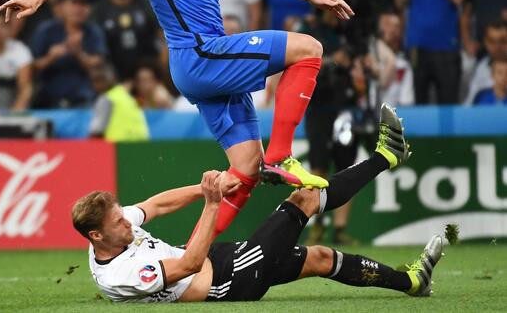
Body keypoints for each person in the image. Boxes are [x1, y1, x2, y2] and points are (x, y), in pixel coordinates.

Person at [0, 0, 355, 241]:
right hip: (199, 55)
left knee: (245, 170)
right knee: (308, 47)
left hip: (209, 63)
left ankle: (188, 260)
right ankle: (282, 153)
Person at [72, 105, 444, 303]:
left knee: (320, 259)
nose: (128, 222)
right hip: (230, 282)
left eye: (123, 215)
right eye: (119, 221)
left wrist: (212, 187)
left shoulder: (110, 234)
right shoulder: (120, 275)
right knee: (304, 197)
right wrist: (213, 204)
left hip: (221, 260)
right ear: (96, 233)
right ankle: (387, 156)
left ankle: (413, 282)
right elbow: (188, 264)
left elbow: (156, 206)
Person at [29, 0, 107, 108]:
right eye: (74, 3)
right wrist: (50, 57)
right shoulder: (46, 30)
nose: (79, 9)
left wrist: (79, 53)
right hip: (49, 99)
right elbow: (32, 66)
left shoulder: (93, 31)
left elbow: (97, 66)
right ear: (62, 6)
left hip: (83, 100)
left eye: (83, 4)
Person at [91, 0, 160, 81]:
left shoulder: (148, 5)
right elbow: (96, 50)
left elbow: (162, 36)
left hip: (149, 75)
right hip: (113, 75)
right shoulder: (98, 11)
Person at [88, 62, 149, 142]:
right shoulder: (127, 96)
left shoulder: (106, 99)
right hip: (143, 146)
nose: (97, 85)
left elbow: (96, 133)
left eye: (98, 80)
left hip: (118, 148)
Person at [465, 20, 507, 104]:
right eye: (492, 41)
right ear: (485, 42)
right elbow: (470, 103)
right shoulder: (481, 67)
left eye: (502, 41)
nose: (497, 46)